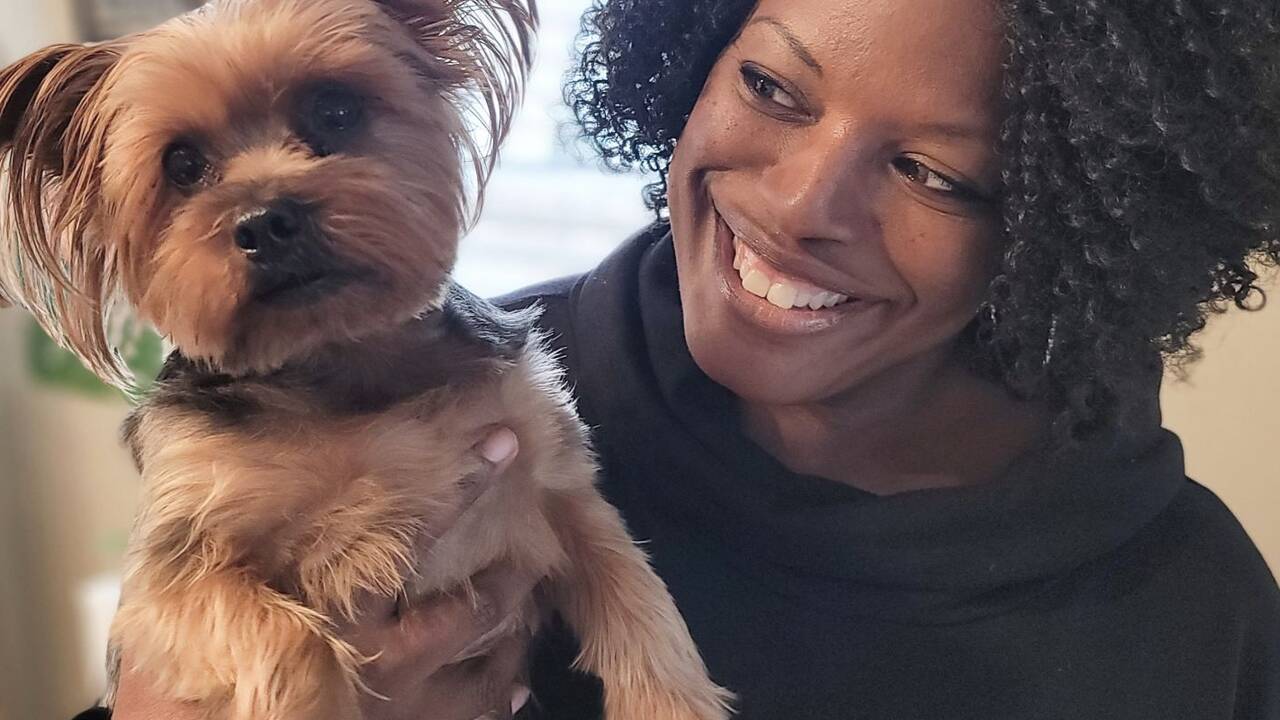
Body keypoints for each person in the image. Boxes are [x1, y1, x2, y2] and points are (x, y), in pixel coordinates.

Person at [99, 0, 1280, 718]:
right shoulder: (474, 384)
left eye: (930, 171)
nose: (800, 206)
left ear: (1064, 223)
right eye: (770, 86)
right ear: (696, 54)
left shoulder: (1191, 610)